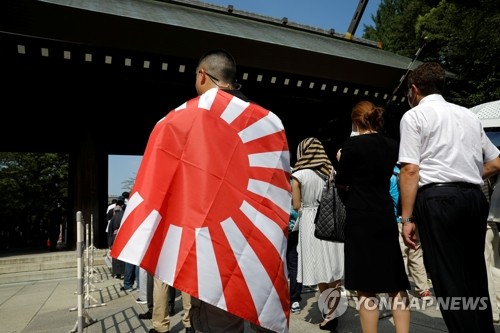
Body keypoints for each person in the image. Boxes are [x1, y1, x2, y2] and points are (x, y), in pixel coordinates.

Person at [111, 48, 291, 333]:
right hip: (259, 247)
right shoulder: (268, 122)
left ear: (202, 75)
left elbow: (159, 182)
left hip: (209, 248)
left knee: (217, 323)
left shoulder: (180, 119)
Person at [399, 62, 500, 333]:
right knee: (473, 273)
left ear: (414, 89)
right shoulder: (468, 115)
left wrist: (407, 217)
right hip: (473, 197)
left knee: (448, 277)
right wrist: (469, 173)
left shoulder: (414, 116)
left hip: (438, 198)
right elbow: (496, 161)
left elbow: (410, 169)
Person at [335, 101, 410, 333]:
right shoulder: (392, 144)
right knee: (395, 281)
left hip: (360, 216)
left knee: (365, 285)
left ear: (356, 121)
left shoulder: (352, 144)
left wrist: (340, 160)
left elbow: (342, 181)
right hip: (385, 213)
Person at [292, 137, 344, 331]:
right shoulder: (331, 171)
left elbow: (296, 205)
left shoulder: (298, 175)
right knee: (335, 267)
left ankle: (328, 312)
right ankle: (334, 310)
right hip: (331, 220)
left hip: (310, 222)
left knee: (320, 268)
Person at [390, 165, 432, 301]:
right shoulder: (417, 173)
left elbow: (391, 198)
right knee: (416, 253)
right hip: (415, 219)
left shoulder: (390, 176)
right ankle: (423, 289)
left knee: (401, 254)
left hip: (398, 219)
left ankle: (402, 289)